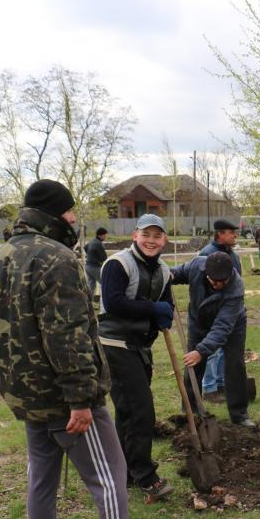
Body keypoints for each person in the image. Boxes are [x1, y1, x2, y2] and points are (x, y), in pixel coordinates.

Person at [0, 179, 130, 519]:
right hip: (66, 401)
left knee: (41, 481)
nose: (75, 217)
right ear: (54, 213)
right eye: (70, 209)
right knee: (109, 480)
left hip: (27, 398)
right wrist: (80, 398)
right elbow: (67, 334)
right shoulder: (56, 259)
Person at [98, 214, 174, 500]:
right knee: (142, 410)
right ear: (135, 236)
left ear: (164, 239)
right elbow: (115, 303)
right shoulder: (117, 264)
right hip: (115, 343)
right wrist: (154, 310)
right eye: (146, 235)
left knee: (128, 412)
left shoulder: (164, 270)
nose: (151, 241)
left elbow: (165, 303)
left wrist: (163, 316)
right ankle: (145, 475)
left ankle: (123, 471)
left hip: (140, 346)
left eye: (157, 236)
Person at [171, 251, 254, 427]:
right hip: (199, 323)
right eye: (213, 281)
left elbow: (222, 327)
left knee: (234, 365)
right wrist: (167, 276)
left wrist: (202, 350)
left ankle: (239, 415)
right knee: (193, 367)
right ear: (206, 273)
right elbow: (177, 273)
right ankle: (190, 412)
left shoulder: (235, 288)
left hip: (231, 326)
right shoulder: (196, 266)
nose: (217, 285)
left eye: (222, 282)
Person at [198, 219, 243, 402]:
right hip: (213, 310)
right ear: (221, 234)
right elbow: (201, 286)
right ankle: (209, 389)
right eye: (232, 232)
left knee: (225, 348)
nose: (235, 235)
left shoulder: (232, 254)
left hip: (230, 310)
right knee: (213, 350)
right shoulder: (207, 255)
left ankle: (221, 383)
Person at [84, 227, 108, 299]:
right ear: (100, 235)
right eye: (105, 235)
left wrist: (91, 255)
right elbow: (104, 257)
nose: (106, 237)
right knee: (105, 283)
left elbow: (85, 247)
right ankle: (104, 303)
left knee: (91, 286)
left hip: (88, 266)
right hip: (95, 267)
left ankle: (88, 303)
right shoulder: (98, 244)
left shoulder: (92, 241)